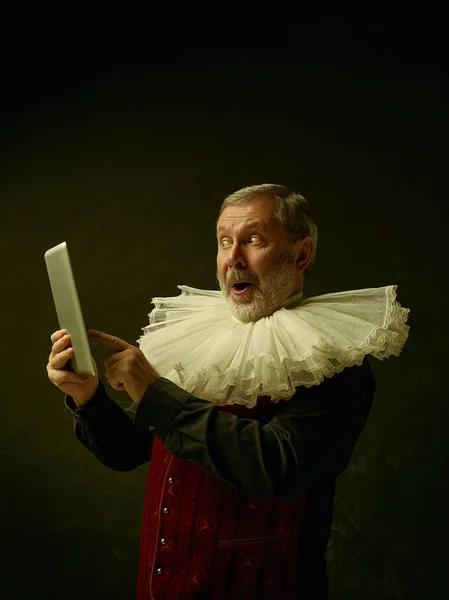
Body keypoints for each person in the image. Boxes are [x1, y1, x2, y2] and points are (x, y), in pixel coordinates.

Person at [46, 184, 410, 599]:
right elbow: (129, 450)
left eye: (253, 240)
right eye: (224, 242)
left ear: (302, 254)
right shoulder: (201, 343)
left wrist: (155, 391)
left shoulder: (334, 360)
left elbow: (278, 467)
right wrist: (88, 397)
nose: (233, 258)